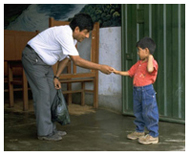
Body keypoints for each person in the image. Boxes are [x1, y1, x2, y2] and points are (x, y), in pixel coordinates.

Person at [22, 13, 113, 141]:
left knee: (53, 92)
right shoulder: (64, 34)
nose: (87, 36)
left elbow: (67, 58)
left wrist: (56, 77)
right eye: (86, 32)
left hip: (44, 63)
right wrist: (100, 67)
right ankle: (44, 133)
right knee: (43, 94)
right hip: (33, 58)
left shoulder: (73, 39)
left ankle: (51, 130)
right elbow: (77, 60)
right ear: (77, 29)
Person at [113, 37, 159, 144]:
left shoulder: (152, 63)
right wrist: (117, 72)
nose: (138, 53)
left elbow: (150, 70)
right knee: (138, 111)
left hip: (147, 91)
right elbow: (130, 73)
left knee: (149, 112)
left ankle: (153, 135)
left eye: (139, 50)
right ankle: (139, 131)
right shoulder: (138, 63)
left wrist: (150, 57)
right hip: (137, 91)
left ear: (146, 50)